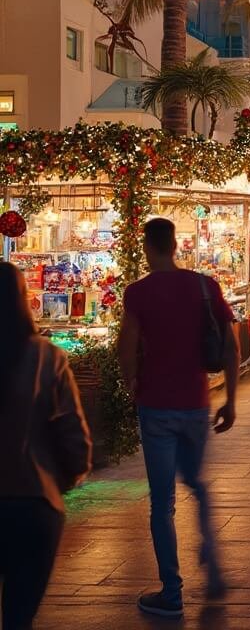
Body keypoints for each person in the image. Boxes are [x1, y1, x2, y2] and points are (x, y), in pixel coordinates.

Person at [118, 218, 239, 618]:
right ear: (174, 245)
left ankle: (172, 592)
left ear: (147, 247)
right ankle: (213, 564)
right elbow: (230, 347)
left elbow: (126, 347)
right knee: (197, 484)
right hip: (195, 402)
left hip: (156, 404)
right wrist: (231, 399)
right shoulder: (204, 286)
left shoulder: (138, 292)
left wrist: (131, 382)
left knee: (162, 502)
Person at [1, 262, 91, 629]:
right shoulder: (46, 357)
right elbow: (74, 439)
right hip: (33, 502)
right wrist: (63, 480)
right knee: (19, 615)